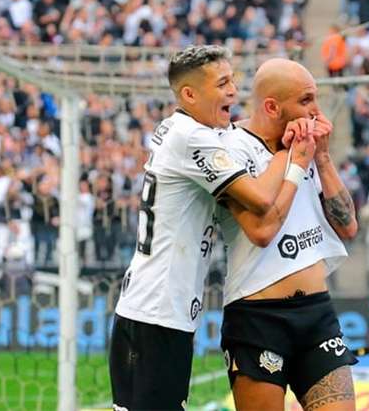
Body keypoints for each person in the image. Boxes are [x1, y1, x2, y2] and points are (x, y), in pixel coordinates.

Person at [109, 45, 316, 410]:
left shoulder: (180, 129)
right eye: (222, 83)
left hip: (149, 307)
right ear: (189, 94)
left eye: (233, 80)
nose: (233, 91)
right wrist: (289, 155)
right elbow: (262, 199)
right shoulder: (193, 137)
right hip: (158, 313)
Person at [216, 58, 359, 410]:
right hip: (257, 316)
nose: (316, 110)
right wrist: (291, 158)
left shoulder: (307, 147)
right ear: (271, 106)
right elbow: (261, 231)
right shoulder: (229, 148)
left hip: (316, 312)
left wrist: (322, 159)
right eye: (306, 100)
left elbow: (348, 227)